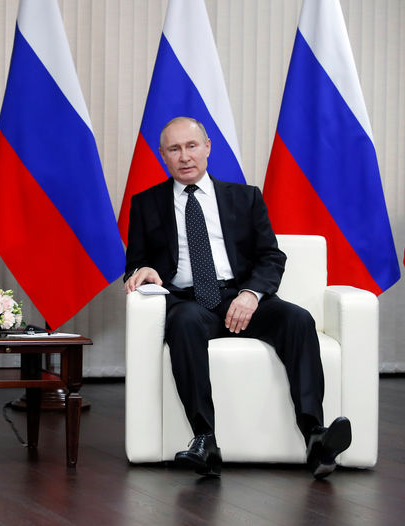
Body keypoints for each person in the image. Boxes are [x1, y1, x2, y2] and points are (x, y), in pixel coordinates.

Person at [123, 116, 351, 479]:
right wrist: (144, 271)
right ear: (163, 155)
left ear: (208, 147)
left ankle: (315, 436)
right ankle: (204, 440)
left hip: (240, 295)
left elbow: (271, 256)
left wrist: (250, 294)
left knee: (298, 319)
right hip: (188, 300)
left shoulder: (245, 197)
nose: (185, 156)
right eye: (175, 149)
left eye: (192, 146)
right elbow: (135, 263)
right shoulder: (146, 203)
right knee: (181, 322)